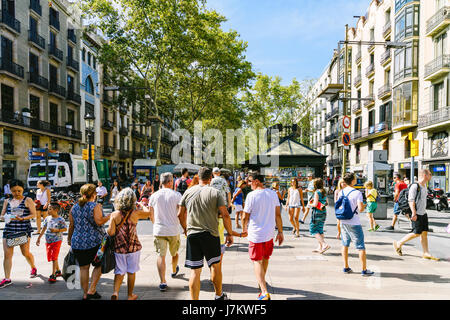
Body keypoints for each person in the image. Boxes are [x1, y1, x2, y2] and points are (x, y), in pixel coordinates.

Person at [177, 167, 234, 300]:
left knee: (195, 271)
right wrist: (229, 233)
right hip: (211, 234)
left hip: (193, 234)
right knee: (215, 266)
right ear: (210, 179)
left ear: (198, 176)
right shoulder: (215, 192)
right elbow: (225, 215)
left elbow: (180, 214)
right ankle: (219, 295)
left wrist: (185, 229)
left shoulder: (188, 191)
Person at [243, 172, 284, 300]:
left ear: (256, 181)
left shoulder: (251, 195)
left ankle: (264, 291)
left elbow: (245, 216)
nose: (248, 184)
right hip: (269, 233)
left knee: (256, 260)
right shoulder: (273, 194)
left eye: (250, 181)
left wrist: (244, 229)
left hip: (256, 234)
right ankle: (261, 282)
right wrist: (281, 232)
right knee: (265, 258)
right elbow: (278, 214)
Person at [68, 184, 111, 300]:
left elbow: (71, 225)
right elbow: (99, 222)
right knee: (98, 265)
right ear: (94, 194)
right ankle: (92, 289)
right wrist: (109, 216)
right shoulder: (95, 206)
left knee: (83, 268)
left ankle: (85, 294)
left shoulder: (74, 207)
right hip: (95, 242)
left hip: (78, 242)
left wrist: (69, 239)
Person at [109, 188, 151, 300]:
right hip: (133, 247)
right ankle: (130, 295)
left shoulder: (114, 215)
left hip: (119, 248)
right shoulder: (135, 213)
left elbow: (111, 232)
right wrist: (141, 204)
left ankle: (115, 293)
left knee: (119, 271)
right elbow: (148, 213)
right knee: (131, 272)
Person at [393, 169, 439, 261]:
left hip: (423, 213)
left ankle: (426, 253)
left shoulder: (424, 186)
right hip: (416, 213)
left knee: (424, 233)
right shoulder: (415, 186)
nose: (431, 176)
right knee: (416, 233)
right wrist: (413, 213)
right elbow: (411, 200)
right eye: (430, 174)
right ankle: (399, 243)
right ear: (425, 175)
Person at [148, 173, 183, 292]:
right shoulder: (177, 195)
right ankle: (174, 270)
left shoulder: (154, 196)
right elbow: (181, 212)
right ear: (170, 182)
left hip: (159, 229)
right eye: (172, 181)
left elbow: (150, 213)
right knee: (174, 253)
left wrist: (155, 224)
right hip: (173, 229)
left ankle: (162, 281)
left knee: (160, 256)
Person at [0, 180, 37, 288]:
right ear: (10, 190)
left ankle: (33, 267)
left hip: (23, 230)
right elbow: (1, 215)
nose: (17, 193)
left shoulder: (28, 200)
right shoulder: (7, 201)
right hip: (9, 230)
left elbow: (33, 214)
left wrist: (23, 218)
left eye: (19, 190)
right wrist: (5, 217)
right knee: (7, 255)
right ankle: (7, 278)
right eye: (14, 191)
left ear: (23, 189)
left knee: (25, 253)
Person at [337, 172, 374, 276]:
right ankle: (364, 269)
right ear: (353, 181)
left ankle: (346, 267)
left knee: (345, 244)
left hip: (343, 221)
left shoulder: (341, 192)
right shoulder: (357, 193)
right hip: (354, 222)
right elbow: (361, 208)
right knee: (360, 246)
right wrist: (364, 205)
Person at [36, 202, 67, 283]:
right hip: (48, 241)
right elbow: (43, 228)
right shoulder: (47, 218)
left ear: (56, 210)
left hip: (57, 240)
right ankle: (58, 271)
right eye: (48, 209)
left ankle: (53, 275)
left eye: (50, 209)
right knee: (52, 256)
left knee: (54, 257)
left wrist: (57, 230)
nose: (48, 210)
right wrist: (39, 238)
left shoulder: (61, 220)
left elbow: (65, 229)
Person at [310, 178, 330, 254]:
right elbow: (327, 203)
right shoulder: (324, 192)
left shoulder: (316, 192)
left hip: (317, 213)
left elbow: (315, 204)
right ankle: (320, 247)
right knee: (320, 229)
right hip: (323, 212)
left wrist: (310, 204)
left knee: (313, 229)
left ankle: (324, 244)